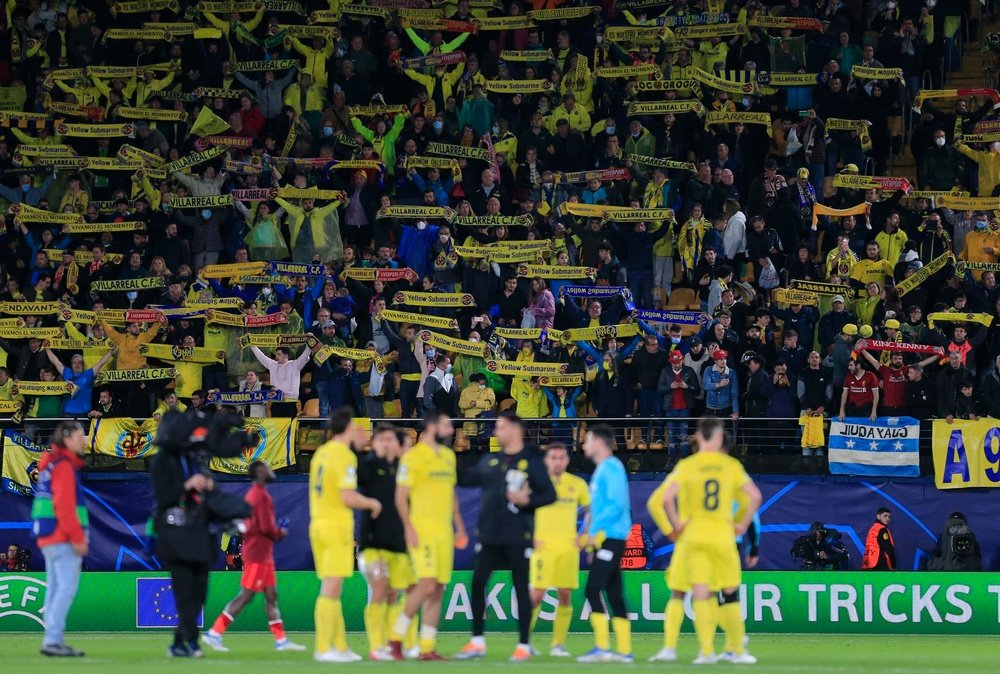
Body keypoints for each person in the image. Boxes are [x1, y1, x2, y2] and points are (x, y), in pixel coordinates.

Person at [456, 412, 556, 662]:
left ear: (513, 430)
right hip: (489, 534)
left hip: (517, 534)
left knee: (521, 587)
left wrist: (527, 500)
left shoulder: (531, 461)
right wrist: (446, 462)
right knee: (478, 583)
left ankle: (524, 644)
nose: (494, 431)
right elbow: (468, 479)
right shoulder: (492, 459)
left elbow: (549, 495)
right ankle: (477, 641)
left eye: (499, 427)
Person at [661, 417, 762, 665]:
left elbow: (666, 499)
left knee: (702, 594)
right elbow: (755, 497)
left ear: (698, 437)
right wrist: (741, 523)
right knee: (729, 592)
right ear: (718, 438)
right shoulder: (730, 465)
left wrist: (676, 524)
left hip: (694, 538)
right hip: (723, 537)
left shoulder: (687, 465)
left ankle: (706, 652)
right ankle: (739, 652)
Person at [388, 411, 468, 661]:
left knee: (438, 589)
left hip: (444, 533)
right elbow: (400, 497)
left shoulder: (448, 456)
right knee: (426, 583)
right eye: (446, 423)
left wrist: (460, 527)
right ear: (432, 426)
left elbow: (452, 494)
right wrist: (408, 529)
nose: (451, 427)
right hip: (421, 531)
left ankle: (427, 647)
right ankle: (396, 636)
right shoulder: (413, 457)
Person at [202, 462, 305, 653]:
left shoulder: (258, 494)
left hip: (263, 554)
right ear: (259, 473)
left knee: (272, 596)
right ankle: (214, 633)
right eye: (267, 468)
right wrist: (280, 531)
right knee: (246, 595)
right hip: (257, 554)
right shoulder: (260, 496)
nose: (271, 470)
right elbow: (265, 528)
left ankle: (281, 640)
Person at [309, 407, 382, 663]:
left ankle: (339, 646)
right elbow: (347, 496)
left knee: (332, 586)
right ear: (348, 429)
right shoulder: (344, 456)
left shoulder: (321, 452)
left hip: (318, 524)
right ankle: (323, 647)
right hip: (335, 526)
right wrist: (373, 504)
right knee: (331, 587)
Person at [357, 424, 415, 661]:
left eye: (390, 439)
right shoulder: (367, 467)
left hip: (398, 544)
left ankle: (396, 643)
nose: (386, 443)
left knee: (401, 594)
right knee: (380, 590)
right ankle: (376, 646)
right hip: (373, 544)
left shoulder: (402, 470)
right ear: (375, 443)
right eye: (382, 440)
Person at [576, 425, 633, 663]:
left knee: (591, 590)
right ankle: (624, 651)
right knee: (614, 593)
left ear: (599, 442)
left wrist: (594, 534)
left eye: (587, 440)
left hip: (611, 537)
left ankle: (603, 647)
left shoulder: (611, 467)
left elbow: (618, 505)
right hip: (606, 538)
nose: (583, 444)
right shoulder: (603, 469)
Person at [528, 443, 589, 658]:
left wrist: (584, 536)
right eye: (553, 457)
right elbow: (521, 509)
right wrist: (529, 537)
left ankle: (558, 645)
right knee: (537, 594)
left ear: (567, 460)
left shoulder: (577, 484)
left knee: (565, 594)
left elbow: (591, 509)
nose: (557, 461)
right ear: (546, 460)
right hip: (543, 548)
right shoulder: (536, 483)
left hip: (568, 548)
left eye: (561, 457)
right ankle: (524, 643)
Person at [34, 420, 88, 658]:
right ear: (67, 438)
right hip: (62, 535)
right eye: (80, 436)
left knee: (55, 587)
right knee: (66, 587)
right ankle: (53, 639)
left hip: (48, 535)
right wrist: (77, 536)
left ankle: (52, 638)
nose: (84, 440)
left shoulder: (51, 464)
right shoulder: (64, 465)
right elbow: (65, 506)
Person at [250, 345, 312, 417]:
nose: (276, 356)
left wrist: (309, 344)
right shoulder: (272, 365)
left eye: (279, 354)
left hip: (290, 403)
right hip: (276, 403)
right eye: (276, 354)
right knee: (276, 427)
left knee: (289, 427)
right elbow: (262, 358)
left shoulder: (295, 364)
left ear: (286, 355)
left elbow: (305, 355)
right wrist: (253, 347)